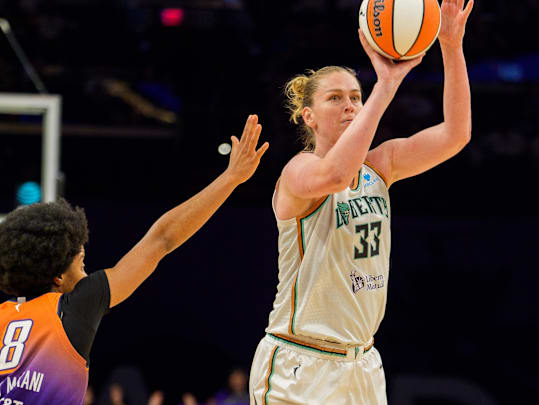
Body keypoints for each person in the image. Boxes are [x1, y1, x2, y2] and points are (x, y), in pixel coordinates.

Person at [248, 0, 473, 403]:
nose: (351, 105)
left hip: (363, 364)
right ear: (308, 117)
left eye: (355, 96)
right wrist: (385, 84)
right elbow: (334, 176)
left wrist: (451, 46)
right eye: (335, 98)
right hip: (301, 363)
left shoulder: (380, 166)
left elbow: (456, 135)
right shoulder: (299, 173)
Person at [0, 115, 268, 404]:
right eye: (81, 265)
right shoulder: (75, 304)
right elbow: (161, 239)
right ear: (58, 278)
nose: (86, 272)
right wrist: (230, 179)